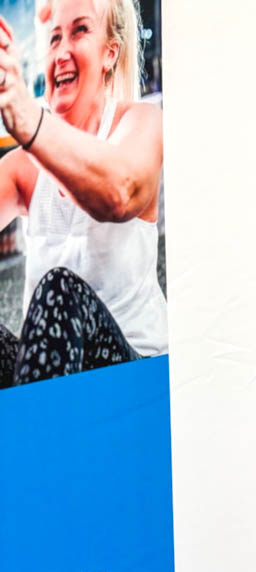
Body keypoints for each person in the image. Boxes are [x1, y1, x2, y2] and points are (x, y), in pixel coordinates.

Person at [0, 0, 165, 386]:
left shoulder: (141, 122)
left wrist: (27, 120)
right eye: (55, 38)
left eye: (79, 31)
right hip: (53, 372)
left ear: (110, 53)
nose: (61, 52)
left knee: (60, 289)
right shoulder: (24, 166)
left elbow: (121, 192)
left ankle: (38, 426)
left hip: (135, 377)